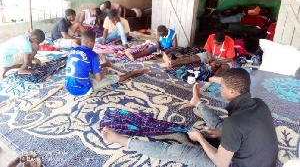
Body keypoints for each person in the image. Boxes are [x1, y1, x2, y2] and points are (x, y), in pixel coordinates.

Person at [103, 68, 278, 167]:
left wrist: (201, 138)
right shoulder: (259, 103)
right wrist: (219, 134)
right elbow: (243, 132)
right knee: (218, 126)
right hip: (261, 161)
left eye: (223, 88)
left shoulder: (234, 124)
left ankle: (123, 141)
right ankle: (197, 102)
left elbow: (221, 163)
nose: (220, 91)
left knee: (177, 152)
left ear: (232, 92)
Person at [65, 30, 150, 96]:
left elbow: (86, 68)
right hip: (82, 90)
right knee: (114, 78)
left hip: (69, 87)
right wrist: (104, 71)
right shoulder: (92, 55)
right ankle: (136, 72)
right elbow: (99, 78)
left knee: (88, 69)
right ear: (91, 43)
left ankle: (106, 65)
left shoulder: (73, 50)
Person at [160, 32, 235, 77]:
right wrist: (210, 58)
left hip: (223, 58)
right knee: (193, 58)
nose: (215, 45)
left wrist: (216, 62)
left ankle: (215, 78)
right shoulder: (211, 36)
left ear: (223, 42)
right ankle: (172, 63)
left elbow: (230, 59)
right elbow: (208, 49)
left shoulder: (230, 41)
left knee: (225, 67)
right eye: (215, 42)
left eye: (218, 44)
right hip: (211, 54)